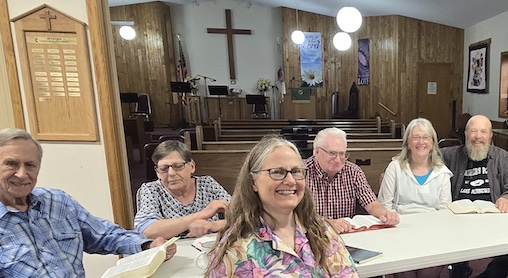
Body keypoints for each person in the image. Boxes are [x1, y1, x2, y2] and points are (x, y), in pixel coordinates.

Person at [0, 128, 176, 277]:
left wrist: (148, 245)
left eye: (30, 165)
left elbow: (103, 235)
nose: (22, 174)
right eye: (11, 164)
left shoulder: (58, 202)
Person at [206, 137, 357, 277]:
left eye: (296, 171)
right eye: (278, 172)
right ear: (253, 182)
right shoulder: (235, 249)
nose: (291, 181)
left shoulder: (322, 231)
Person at [441, 114, 508, 277]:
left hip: (492, 220)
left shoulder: (502, 157)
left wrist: (507, 197)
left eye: (483, 132)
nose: (478, 137)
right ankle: (459, 270)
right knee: (451, 245)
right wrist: (393, 166)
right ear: (466, 134)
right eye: (473, 131)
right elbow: (421, 156)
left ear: (490, 135)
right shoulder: (450, 155)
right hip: (457, 221)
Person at [377, 118, 453, 278]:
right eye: (416, 137)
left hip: (432, 234)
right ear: (408, 143)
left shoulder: (442, 172)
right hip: (400, 232)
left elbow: (445, 211)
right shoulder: (395, 167)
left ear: (432, 142)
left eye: (426, 137)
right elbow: (384, 205)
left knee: (428, 274)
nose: (421, 142)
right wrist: (391, 220)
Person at [305, 127, 399, 234]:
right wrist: (327, 223)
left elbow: (372, 204)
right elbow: (293, 214)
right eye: (332, 153)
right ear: (317, 152)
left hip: (346, 236)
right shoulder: (301, 173)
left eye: (342, 154)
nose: (338, 160)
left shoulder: (353, 172)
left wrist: (385, 214)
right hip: (311, 235)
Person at [134, 140, 231, 239]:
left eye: (178, 166)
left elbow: (244, 217)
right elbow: (147, 230)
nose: (171, 173)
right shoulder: (151, 190)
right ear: (157, 172)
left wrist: (213, 225)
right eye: (164, 169)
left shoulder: (207, 184)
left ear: (192, 166)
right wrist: (202, 214)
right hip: (171, 252)